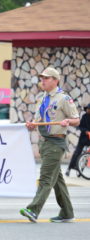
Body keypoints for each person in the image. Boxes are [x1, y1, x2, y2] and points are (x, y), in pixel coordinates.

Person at [20, 67, 80, 223]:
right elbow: (39, 121)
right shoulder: (42, 98)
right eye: (42, 78)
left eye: (46, 78)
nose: (43, 81)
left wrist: (68, 121)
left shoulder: (63, 99)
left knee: (46, 179)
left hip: (55, 142)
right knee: (57, 181)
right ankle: (67, 212)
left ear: (55, 80)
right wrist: (32, 125)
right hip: (45, 142)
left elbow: (76, 119)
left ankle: (33, 210)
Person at [66, 103, 90, 176]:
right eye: (88, 109)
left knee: (86, 156)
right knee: (77, 153)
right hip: (83, 138)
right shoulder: (84, 116)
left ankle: (80, 170)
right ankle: (69, 169)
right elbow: (80, 127)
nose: (88, 110)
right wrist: (86, 131)